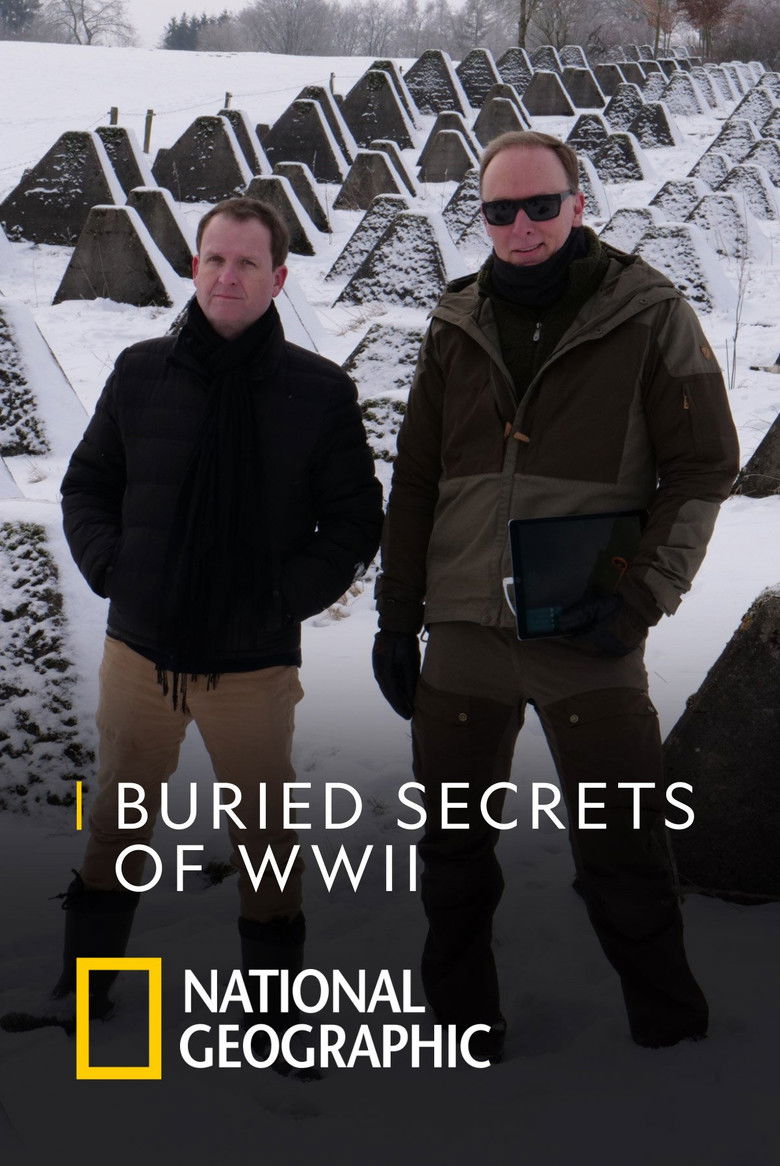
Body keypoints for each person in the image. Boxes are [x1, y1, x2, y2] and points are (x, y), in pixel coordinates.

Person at [372, 131, 739, 1062]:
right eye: (501, 211)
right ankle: (461, 1025)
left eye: (542, 205)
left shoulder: (649, 312)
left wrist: (639, 598)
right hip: (465, 627)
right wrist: (397, 614)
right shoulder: (456, 321)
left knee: (624, 847)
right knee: (451, 850)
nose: (523, 226)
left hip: (587, 627)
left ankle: (673, 1036)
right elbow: (417, 477)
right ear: (482, 218)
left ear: (579, 204)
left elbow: (704, 467)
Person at [50, 197, 383, 1057]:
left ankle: (272, 1016)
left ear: (279, 277)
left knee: (266, 837)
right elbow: (88, 486)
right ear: (194, 266)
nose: (226, 277)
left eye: (246, 263)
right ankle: (82, 994)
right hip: (140, 654)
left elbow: (354, 521)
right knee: (116, 822)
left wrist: (278, 600)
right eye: (213, 260)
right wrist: (117, 571)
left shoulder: (318, 391)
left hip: (252, 664)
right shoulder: (139, 372)